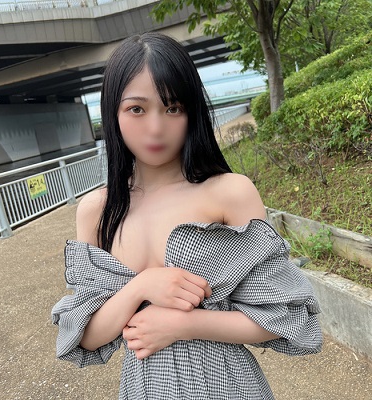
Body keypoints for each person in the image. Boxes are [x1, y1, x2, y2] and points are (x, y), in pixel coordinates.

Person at [52, 32, 322, 399]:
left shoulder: (229, 192)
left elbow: (286, 317)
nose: (155, 128)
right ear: (112, 113)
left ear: (191, 111)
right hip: (144, 389)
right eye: (136, 109)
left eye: (173, 108)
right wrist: (141, 286)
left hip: (229, 387)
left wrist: (184, 324)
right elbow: (85, 336)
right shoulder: (97, 210)